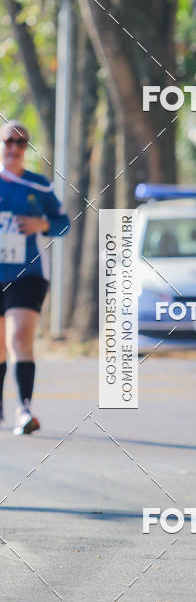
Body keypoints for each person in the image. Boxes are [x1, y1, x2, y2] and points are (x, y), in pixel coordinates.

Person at [0, 120, 71, 435]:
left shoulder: (38, 185)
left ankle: (24, 409)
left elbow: (64, 224)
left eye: (21, 142)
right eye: (8, 141)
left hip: (27, 273)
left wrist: (41, 225)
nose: (14, 148)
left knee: (19, 340)